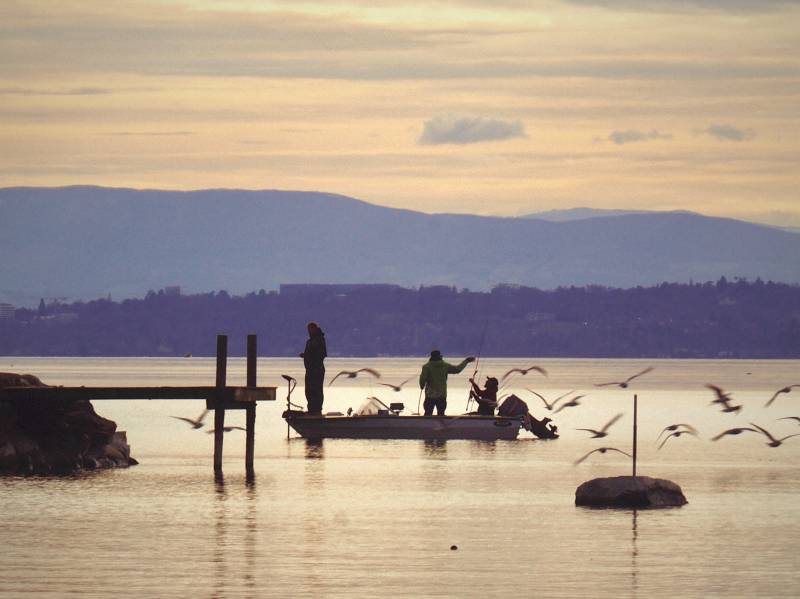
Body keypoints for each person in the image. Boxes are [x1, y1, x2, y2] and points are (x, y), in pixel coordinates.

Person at [419, 350, 475, 416]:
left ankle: (426, 425)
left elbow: (422, 379)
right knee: (441, 414)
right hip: (442, 395)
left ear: (431, 357)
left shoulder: (426, 367)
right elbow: (457, 369)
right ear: (440, 356)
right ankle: (442, 425)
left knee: (428, 414)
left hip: (430, 395)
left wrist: (422, 386)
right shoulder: (445, 365)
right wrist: (466, 361)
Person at [300, 322, 327, 415]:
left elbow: (322, 354)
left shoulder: (319, 340)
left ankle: (317, 409)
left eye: (311, 329)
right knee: (309, 390)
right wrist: (305, 355)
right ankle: (311, 409)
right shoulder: (310, 341)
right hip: (309, 370)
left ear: (315, 329)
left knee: (316, 390)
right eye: (308, 330)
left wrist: (310, 355)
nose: (309, 331)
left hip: (317, 369)